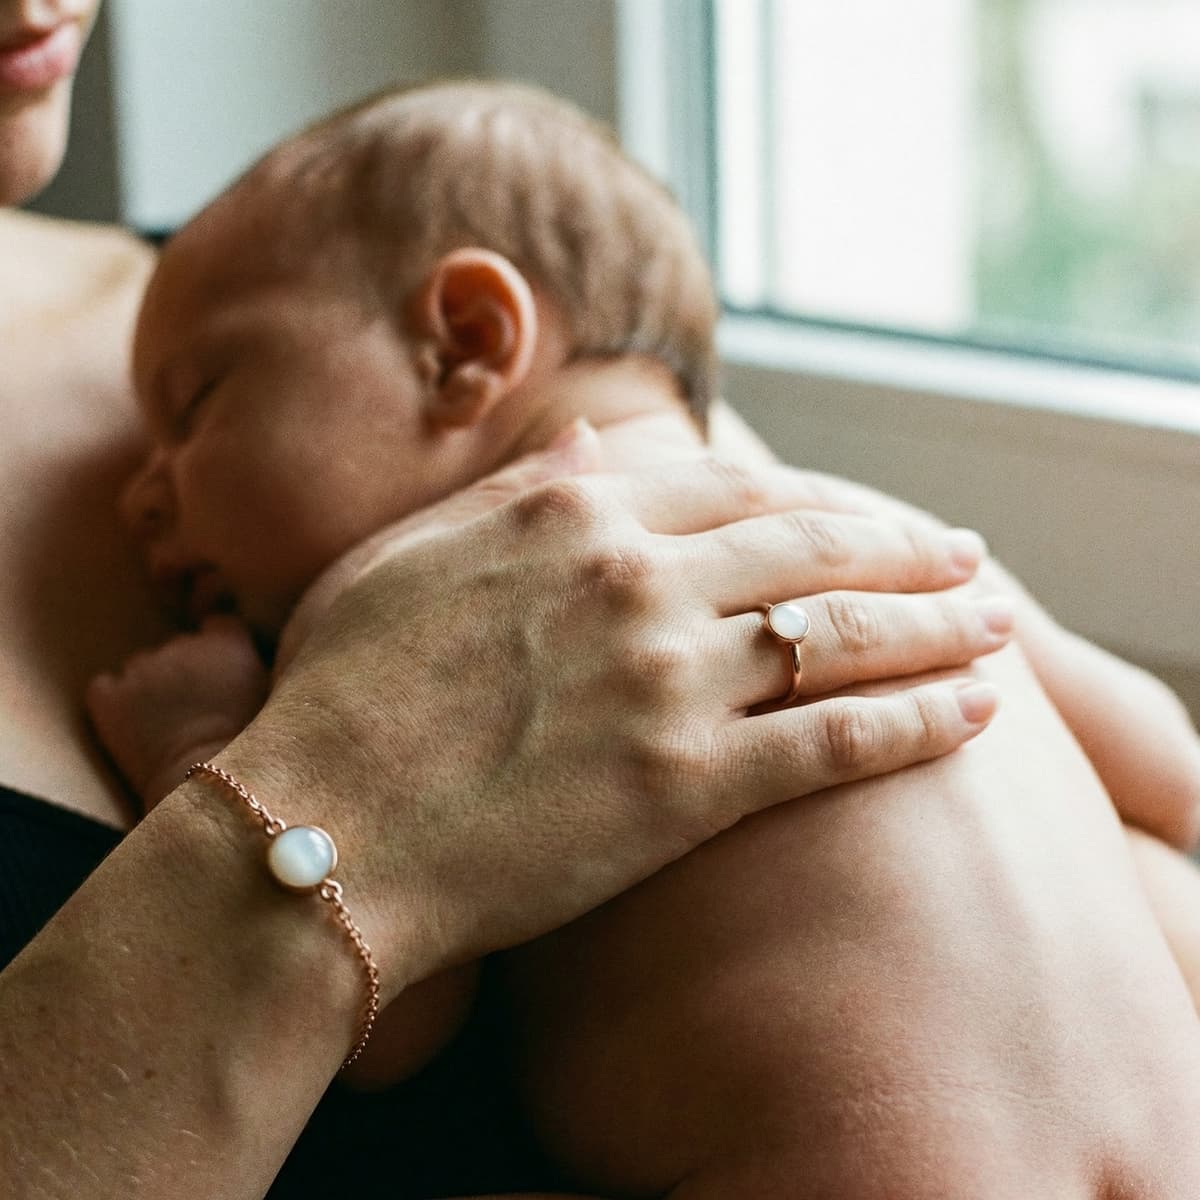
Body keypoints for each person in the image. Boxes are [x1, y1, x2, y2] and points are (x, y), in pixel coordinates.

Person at [85, 80, 1200, 1198]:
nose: (143, 493)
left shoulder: (416, 591)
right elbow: (1165, 769)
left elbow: (388, 1022)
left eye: (194, 405)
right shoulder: (885, 532)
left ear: (463, 345)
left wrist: (195, 739)